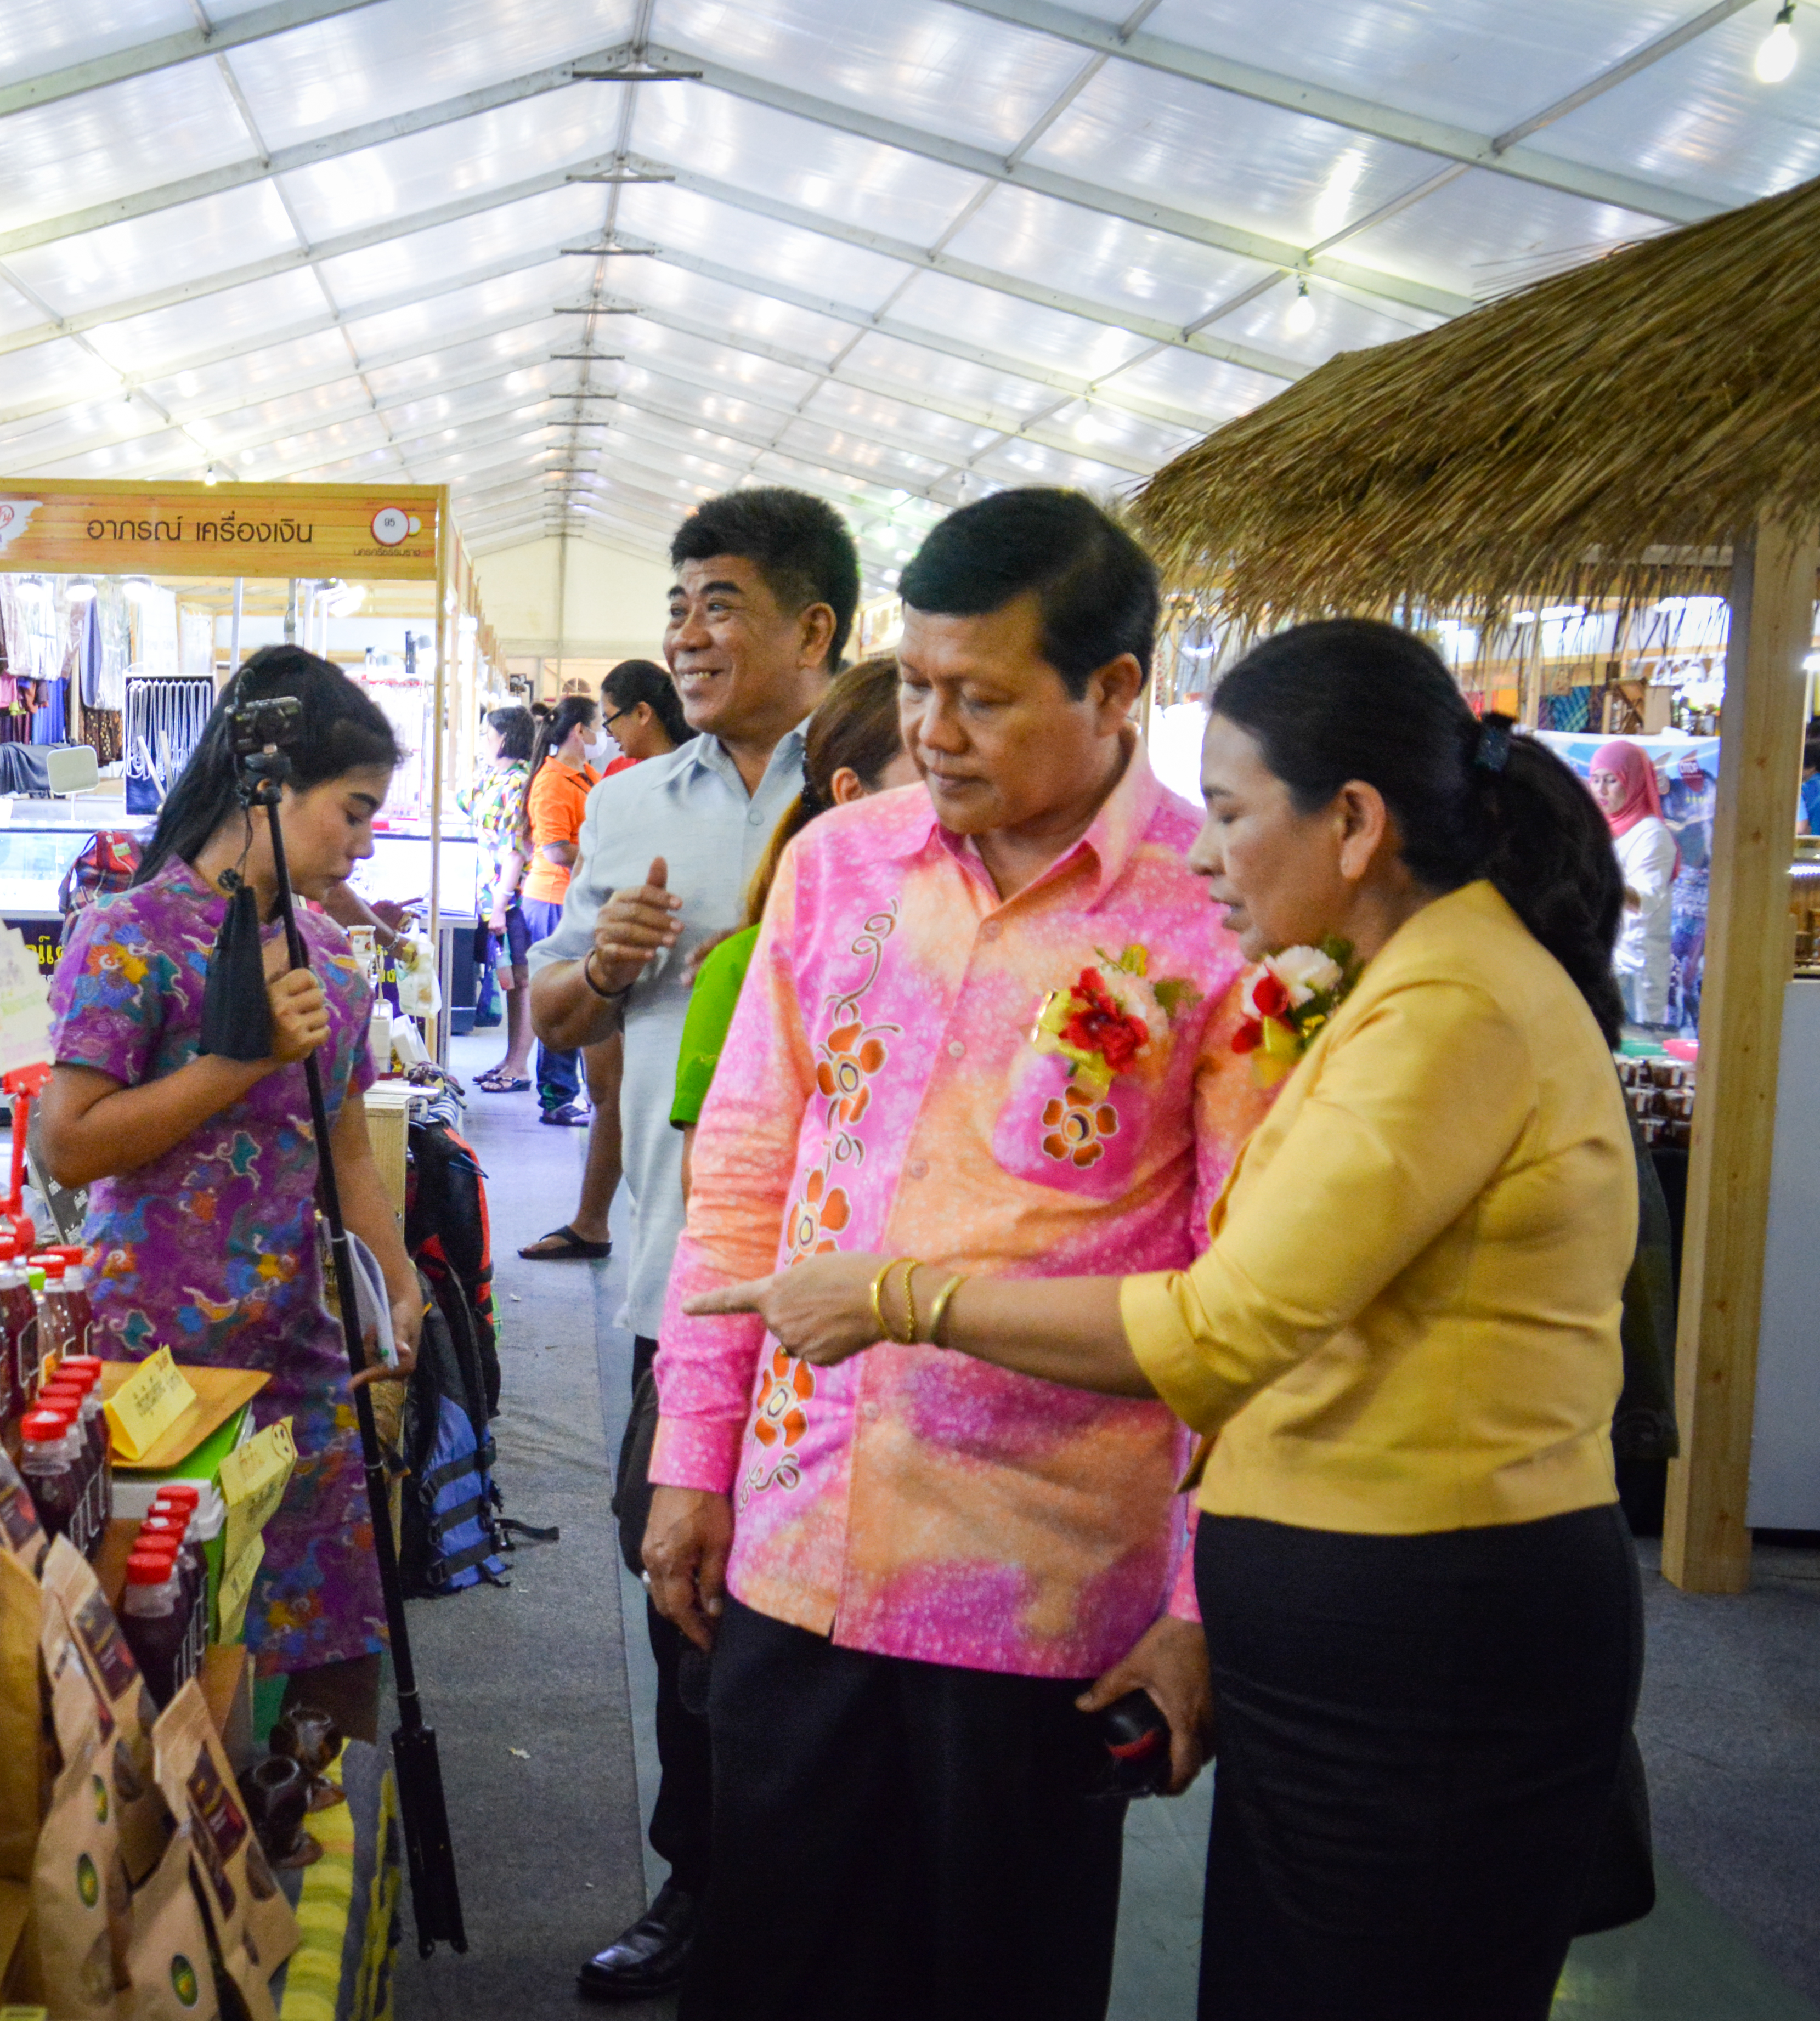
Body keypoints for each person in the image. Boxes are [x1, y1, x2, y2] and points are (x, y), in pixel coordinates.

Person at [702, 619, 1639, 2021]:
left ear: (1356, 824)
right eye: (918, 694)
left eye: (1235, 812)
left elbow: (1223, 1323)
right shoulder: (1408, 987)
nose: (1202, 857)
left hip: (1419, 1621)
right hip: (1356, 1611)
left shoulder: (1447, 1011)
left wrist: (904, 1296)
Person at [642, 489, 1268, 2020]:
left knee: (992, 1981)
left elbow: (1248, 1295)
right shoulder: (836, 867)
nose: (931, 727)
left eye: (978, 695)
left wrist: (1197, 1603)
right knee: (770, 1964)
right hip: (797, 1537)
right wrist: (691, 1455)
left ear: (1115, 689)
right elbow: (740, 1179)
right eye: (915, 685)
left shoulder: (1214, 917)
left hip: (1040, 1581)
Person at [524, 488, 860, 2001]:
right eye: (676, 605)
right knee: (680, 1595)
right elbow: (550, 1012)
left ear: (812, 628)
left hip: (864, 1290)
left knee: (843, 1624)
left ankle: (816, 1904)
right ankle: (699, 1889)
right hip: (686, 1279)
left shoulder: (878, 783)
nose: (683, 631)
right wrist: (596, 965)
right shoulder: (627, 803)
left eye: (717, 602)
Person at [38, 646, 425, 1740]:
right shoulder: (128, 938)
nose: (361, 841)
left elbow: (346, 1152)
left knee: (338, 1635)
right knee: (160, 1639)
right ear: (273, 788)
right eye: (351, 813)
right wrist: (242, 1063)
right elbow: (67, 1148)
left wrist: (396, 1283)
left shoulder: (333, 960)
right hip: (151, 1360)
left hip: (299, 1342)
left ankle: (317, 1861)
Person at [669, 655, 917, 1173]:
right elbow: (722, 1197)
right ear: (852, 795)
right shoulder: (747, 967)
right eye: (930, 772)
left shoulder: (978, 957)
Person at [524, 662, 689, 1264]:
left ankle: (597, 1220)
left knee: (621, 1091)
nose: (608, 732)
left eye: (614, 719)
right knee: (607, 1088)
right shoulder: (617, 785)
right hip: (604, 956)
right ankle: (593, 1219)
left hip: (643, 970)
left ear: (643, 713)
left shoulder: (619, 782)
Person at [524, 695, 604, 1125]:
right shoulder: (552, 780)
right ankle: (556, 1096)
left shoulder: (589, 775)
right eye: (597, 726)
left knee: (581, 997)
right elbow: (555, 849)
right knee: (560, 999)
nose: (602, 735)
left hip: (575, 896)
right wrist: (600, 852)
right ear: (578, 731)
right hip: (552, 898)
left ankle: (574, 1091)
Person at [461, 707, 540, 1093]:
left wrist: (498, 905)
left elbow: (516, 850)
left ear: (505, 737)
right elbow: (466, 803)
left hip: (513, 897)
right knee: (510, 980)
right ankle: (510, 1059)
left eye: (486, 734)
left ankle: (520, 1065)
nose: (482, 740)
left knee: (522, 980)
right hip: (494, 894)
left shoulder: (518, 783)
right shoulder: (494, 778)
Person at [1590, 738, 1675, 1029]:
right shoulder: (1599, 829)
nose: (1601, 790)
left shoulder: (1651, 835)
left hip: (1637, 965)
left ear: (1634, 782)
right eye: (1596, 780)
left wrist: (1593, 877)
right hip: (1603, 958)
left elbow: (1645, 900)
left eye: (1611, 780)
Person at [1665, 748, 1712, 1029]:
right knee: (1676, 969)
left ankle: (1693, 1024)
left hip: (1702, 891)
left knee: (1691, 972)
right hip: (1681, 890)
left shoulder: (1710, 786)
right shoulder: (1673, 793)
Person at [600, 658, 687, 777]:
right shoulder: (617, 770)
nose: (608, 734)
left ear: (641, 713)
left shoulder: (693, 771)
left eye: (609, 719)